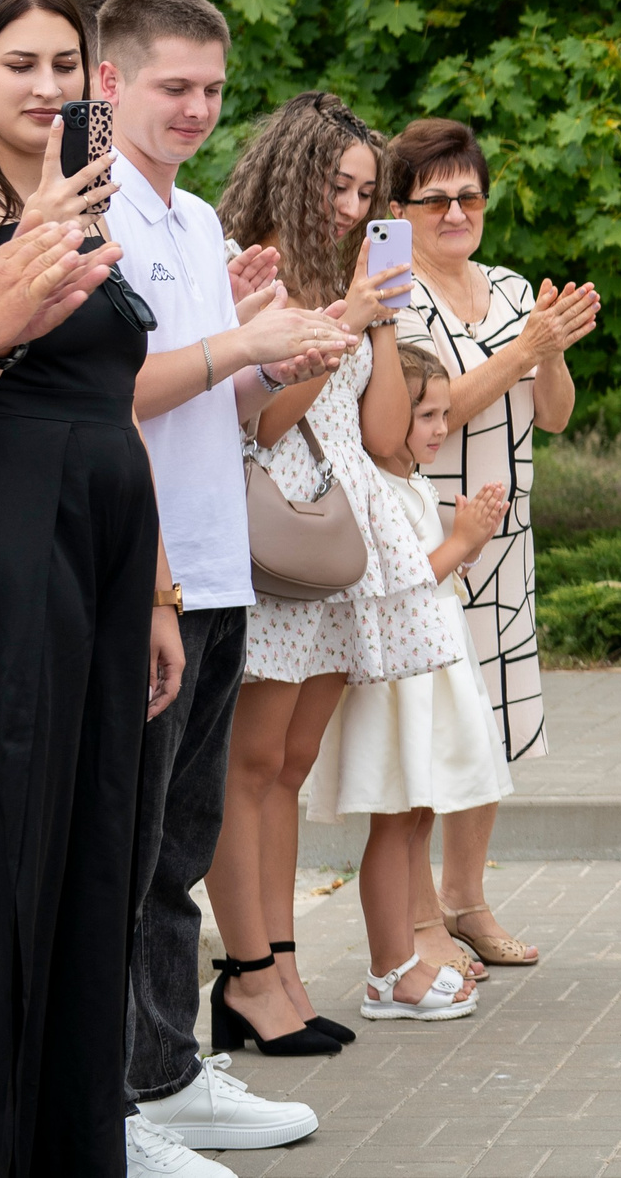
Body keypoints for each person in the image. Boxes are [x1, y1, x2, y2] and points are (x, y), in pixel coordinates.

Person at [0, 0, 178, 1177]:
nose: (49, 86)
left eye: (68, 66)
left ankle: (73, 1133)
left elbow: (119, 406)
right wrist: (13, 296)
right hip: (3, 540)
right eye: (23, 64)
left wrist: (159, 588)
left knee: (92, 834)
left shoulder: (78, 194)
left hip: (105, 542)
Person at [98, 0, 353, 1162]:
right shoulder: (87, 210)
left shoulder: (197, 223)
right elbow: (106, 395)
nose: (198, 108)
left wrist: (285, 345)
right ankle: (112, 1098)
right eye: (174, 87)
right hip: (132, 570)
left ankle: (164, 1067)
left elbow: (232, 414)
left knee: (177, 846)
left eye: (211, 88)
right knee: (120, 847)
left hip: (215, 566)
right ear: (111, 82)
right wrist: (239, 342)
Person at [206, 93, 466, 1054]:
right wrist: (342, 317)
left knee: (294, 763)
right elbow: (264, 421)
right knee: (252, 760)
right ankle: (251, 974)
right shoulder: (256, 275)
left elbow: (388, 437)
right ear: (291, 169)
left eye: (367, 189)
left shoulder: (344, 278)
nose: (356, 205)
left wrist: (380, 324)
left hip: (342, 532)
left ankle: (284, 970)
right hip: (276, 531)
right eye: (339, 183)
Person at [384, 118, 599, 973]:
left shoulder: (509, 285)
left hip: (505, 537)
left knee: (492, 727)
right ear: (399, 208)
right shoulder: (394, 295)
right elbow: (420, 416)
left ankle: (465, 900)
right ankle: (413, 918)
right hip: (433, 535)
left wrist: (545, 347)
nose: (454, 210)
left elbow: (554, 413)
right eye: (433, 197)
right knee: (431, 725)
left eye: (467, 193)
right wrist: (524, 348)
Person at [306, 340, 513, 1024]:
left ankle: (403, 961)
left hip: (432, 674)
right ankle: (387, 968)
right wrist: (464, 540)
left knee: (418, 817)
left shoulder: (413, 481)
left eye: (442, 414)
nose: (436, 427)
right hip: (400, 685)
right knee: (393, 825)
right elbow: (400, 578)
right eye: (423, 413)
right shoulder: (374, 488)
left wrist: (465, 541)